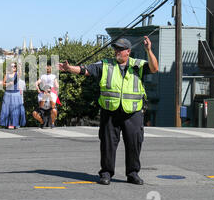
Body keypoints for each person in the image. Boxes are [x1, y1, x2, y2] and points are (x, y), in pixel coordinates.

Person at [59, 37, 159, 186]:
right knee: (107, 144)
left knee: (134, 144)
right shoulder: (105, 64)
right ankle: (106, 173)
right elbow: (85, 70)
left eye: (120, 49)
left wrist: (149, 50)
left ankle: (132, 173)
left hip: (133, 112)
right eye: (116, 48)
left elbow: (154, 68)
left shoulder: (137, 65)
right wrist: (69, 68)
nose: (117, 51)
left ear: (128, 51)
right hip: (110, 111)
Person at [0, 62, 26, 129]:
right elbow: (3, 83)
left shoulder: (17, 74)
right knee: (7, 109)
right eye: (12, 66)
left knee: (15, 109)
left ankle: (16, 124)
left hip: (16, 94)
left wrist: (20, 66)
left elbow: (20, 73)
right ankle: (7, 124)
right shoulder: (7, 75)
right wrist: (8, 84)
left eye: (14, 66)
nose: (13, 67)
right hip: (8, 93)